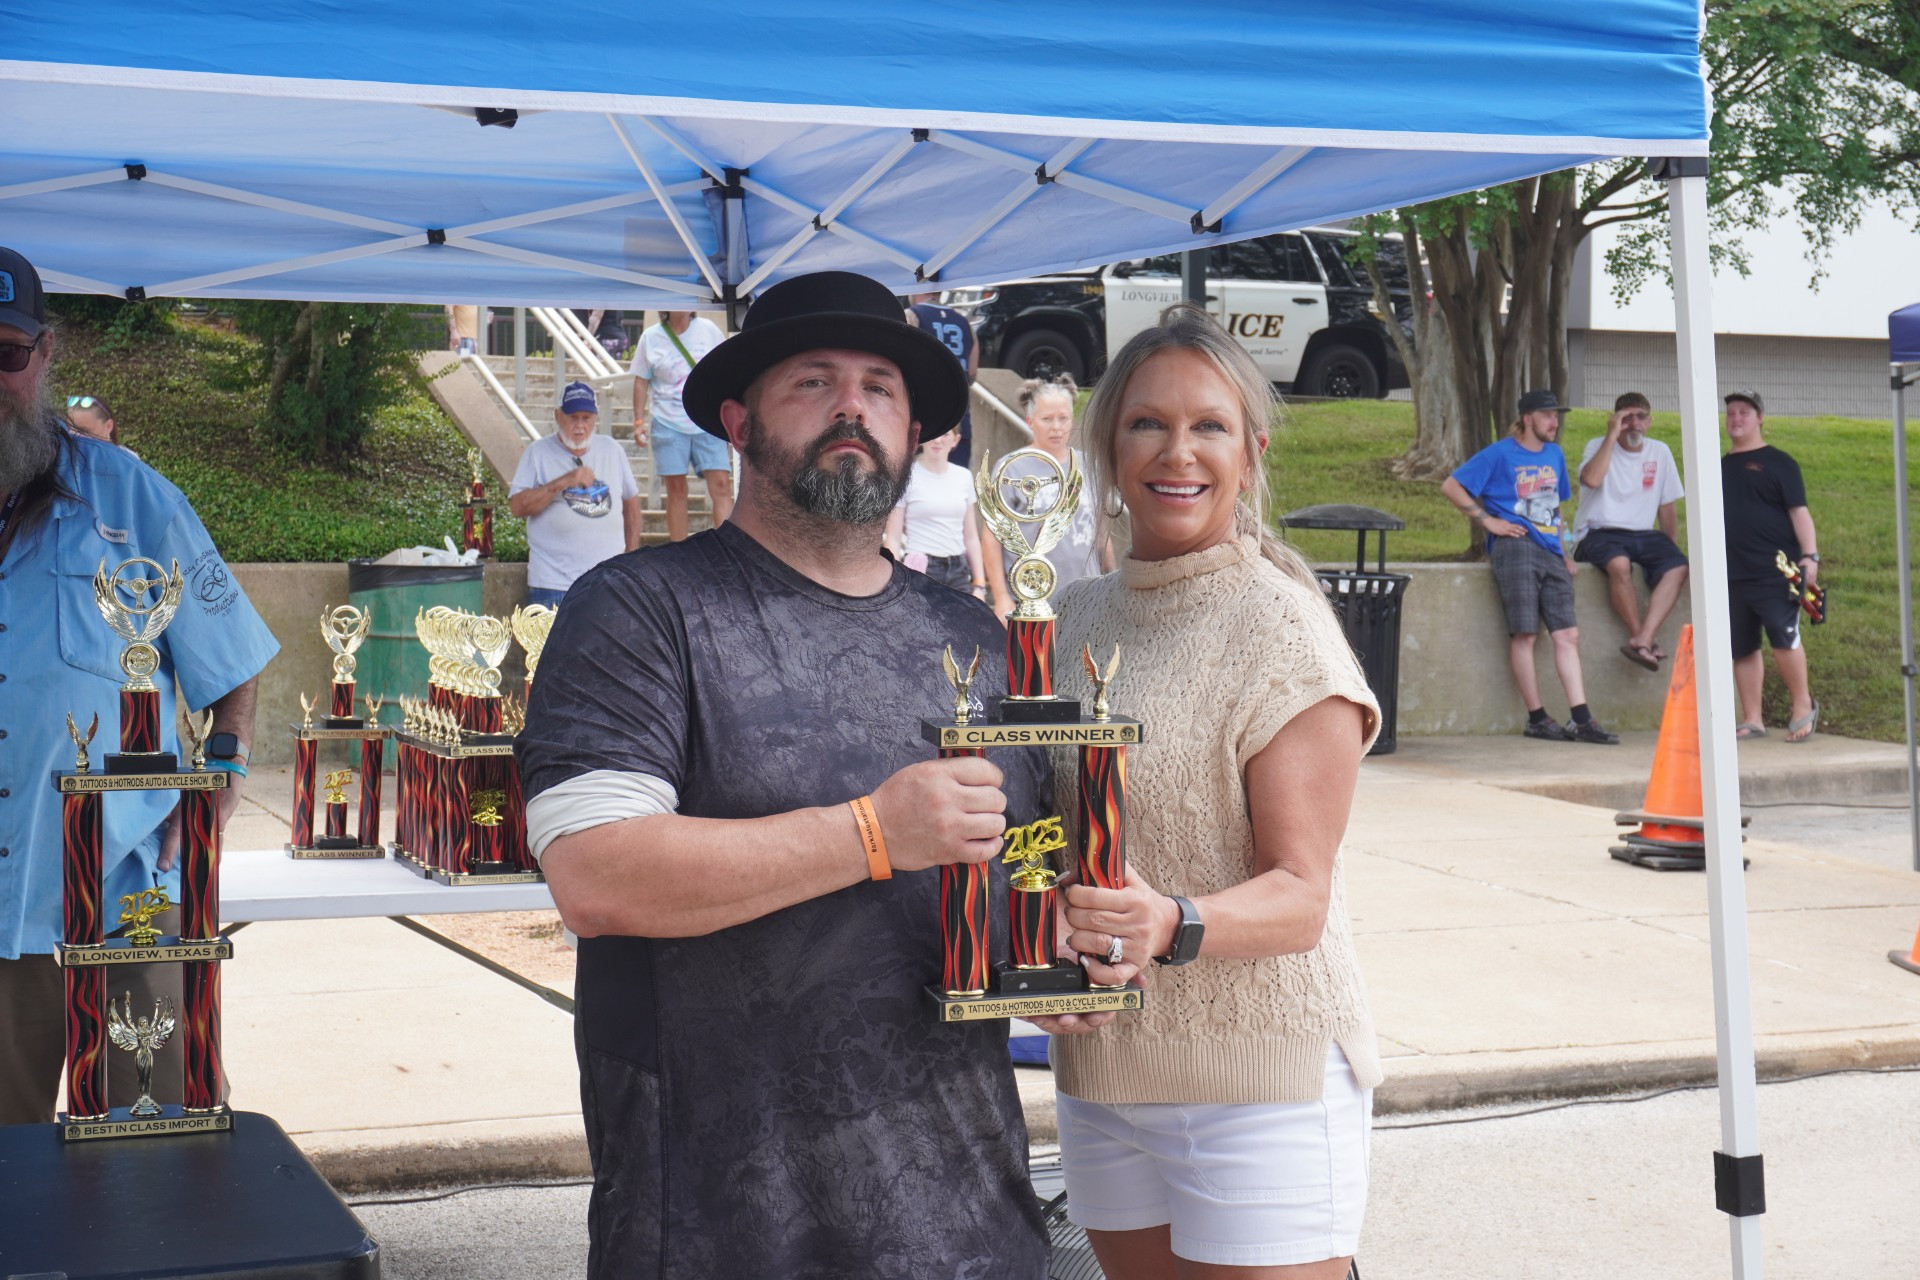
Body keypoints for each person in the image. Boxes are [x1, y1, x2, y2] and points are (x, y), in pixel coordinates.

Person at [516, 270, 1051, 1279]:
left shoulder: (979, 635)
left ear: (913, 431)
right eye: (814, 380)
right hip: (719, 1229)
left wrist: (1064, 947)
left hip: (971, 1225)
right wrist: (872, 833)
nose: (853, 407)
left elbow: (1022, 868)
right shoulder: (639, 610)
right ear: (738, 421)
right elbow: (595, 872)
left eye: (880, 388)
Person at [1025, 303, 1381, 1279]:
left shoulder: (1283, 629)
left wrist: (1169, 920)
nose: (1177, 451)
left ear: (1250, 452)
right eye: (1147, 422)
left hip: (1261, 1083)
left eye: (1208, 425)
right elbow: (1045, 833)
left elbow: (1301, 895)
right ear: (1108, 449)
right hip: (1103, 1072)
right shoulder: (1067, 617)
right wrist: (1032, 928)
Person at [0, 245, 279, 1125]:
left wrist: (223, 766)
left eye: (6, 353)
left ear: (46, 353)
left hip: (127, 905)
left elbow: (232, 659)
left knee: (156, 1158)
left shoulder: (134, 498)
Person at [1441, 389, 1620, 744]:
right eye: (1547, 415)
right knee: (1525, 634)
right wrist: (1488, 521)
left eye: (1556, 415)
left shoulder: (1554, 454)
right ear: (1527, 418)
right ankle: (1537, 718)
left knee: (1567, 634)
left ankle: (1581, 719)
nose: (1554, 422)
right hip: (1516, 546)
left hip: (1551, 551)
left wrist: (1564, 551)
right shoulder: (1500, 453)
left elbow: (1556, 506)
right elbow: (1451, 486)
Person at [1722, 389, 1820, 741]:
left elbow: (1799, 512)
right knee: (1742, 645)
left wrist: (1810, 556)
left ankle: (1803, 706)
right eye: (1731, 412)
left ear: (1760, 418)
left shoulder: (1780, 463)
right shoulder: (1719, 466)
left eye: (1744, 412)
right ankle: (1753, 718)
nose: (1736, 418)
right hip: (1732, 571)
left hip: (1777, 570)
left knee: (1783, 636)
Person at [983, 374, 1115, 621]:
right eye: (1047, 419)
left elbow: (1100, 529)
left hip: (1089, 595)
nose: (1056, 426)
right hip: (1033, 599)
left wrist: (1112, 574)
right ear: (1031, 421)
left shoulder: (1088, 464)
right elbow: (992, 535)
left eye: (1063, 418)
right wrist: (1000, 597)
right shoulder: (1012, 467)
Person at [1573, 391, 1688, 671]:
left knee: (1679, 566)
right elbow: (1591, 479)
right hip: (1598, 531)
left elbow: (1666, 505)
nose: (1634, 424)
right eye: (1627, 418)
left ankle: (1644, 639)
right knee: (1619, 565)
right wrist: (1611, 436)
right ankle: (1641, 639)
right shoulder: (1598, 445)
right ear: (1615, 420)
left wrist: (1669, 546)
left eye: (1640, 417)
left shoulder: (1660, 451)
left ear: (1649, 422)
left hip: (1643, 534)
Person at [507, 380, 640, 607]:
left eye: (586, 418)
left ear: (595, 418)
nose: (580, 426)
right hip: (553, 585)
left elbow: (632, 504)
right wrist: (563, 481)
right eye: (573, 417)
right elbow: (517, 506)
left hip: (609, 584)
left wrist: (631, 556)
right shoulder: (537, 452)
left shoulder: (612, 450)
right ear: (557, 416)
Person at [631, 310, 732, 541]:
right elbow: (641, 380)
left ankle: (727, 549)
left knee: (721, 485)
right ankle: (680, 550)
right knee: (676, 490)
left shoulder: (709, 330)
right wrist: (638, 421)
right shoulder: (650, 336)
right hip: (667, 421)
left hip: (707, 420)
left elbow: (726, 369)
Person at [883, 426, 987, 598]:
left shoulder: (964, 476)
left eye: (945, 434)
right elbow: (893, 538)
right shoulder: (905, 475)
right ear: (921, 437)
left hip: (959, 568)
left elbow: (971, 536)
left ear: (956, 440)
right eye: (933, 434)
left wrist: (980, 584)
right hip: (921, 567)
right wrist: (894, 581)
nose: (937, 440)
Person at [906, 290, 979, 467]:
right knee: (956, 473)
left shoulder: (911, 315)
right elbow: (972, 373)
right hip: (959, 413)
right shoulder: (964, 322)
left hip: (923, 412)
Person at [65, 394, 131, 452]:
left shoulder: (126, 460)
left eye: (84, 432)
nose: (74, 436)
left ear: (108, 426)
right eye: (70, 429)